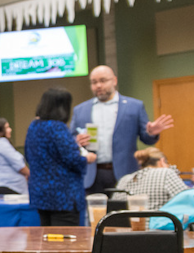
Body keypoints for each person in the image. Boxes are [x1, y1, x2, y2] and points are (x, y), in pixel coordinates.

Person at [25, 88, 96, 253]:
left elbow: (35, 156)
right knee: (62, 247)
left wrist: (72, 142)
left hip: (42, 196)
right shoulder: (57, 127)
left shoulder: (34, 127)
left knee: (49, 247)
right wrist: (88, 156)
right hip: (64, 197)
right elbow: (73, 159)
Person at [71, 65, 174, 195]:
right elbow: (71, 140)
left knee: (124, 214)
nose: (98, 85)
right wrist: (77, 141)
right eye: (94, 82)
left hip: (124, 173)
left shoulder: (134, 107)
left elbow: (146, 139)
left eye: (103, 81)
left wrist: (151, 133)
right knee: (94, 214)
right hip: (92, 175)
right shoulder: (80, 110)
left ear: (114, 80)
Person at [115, 147, 188, 209]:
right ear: (162, 161)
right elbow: (188, 201)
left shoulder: (124, 179)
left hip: (125, 225)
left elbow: (114, 206)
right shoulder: (166, 173)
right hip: (157, 225)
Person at [0, 118, 28, 195]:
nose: (10, 130)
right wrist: (30, 174)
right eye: (7, 127)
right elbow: (18, 164)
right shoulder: (1, 143)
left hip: (5, 187)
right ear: (0, 130)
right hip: (9, 188)